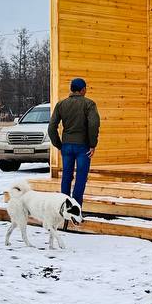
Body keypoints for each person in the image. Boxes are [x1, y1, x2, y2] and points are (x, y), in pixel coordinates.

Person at [49, 77, 100, 209]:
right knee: (81, 177)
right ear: (83, 90)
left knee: (66, 176)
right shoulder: (89, 104)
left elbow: (51, 127)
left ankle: (64, 207)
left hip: (66, 145)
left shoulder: (61, 104)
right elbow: (93, 124)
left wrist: (59, 144)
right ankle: (76, 208)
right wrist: (92, 144)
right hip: (83, 147)